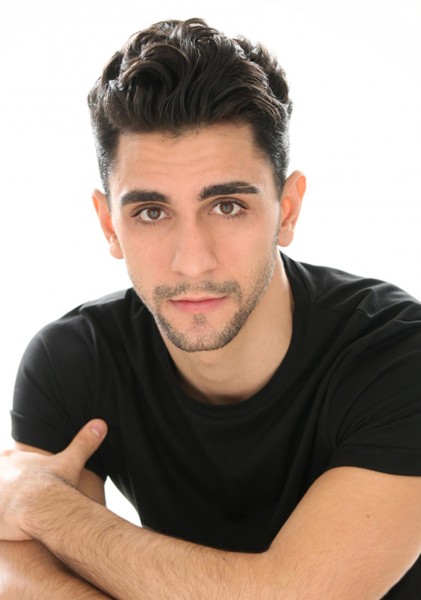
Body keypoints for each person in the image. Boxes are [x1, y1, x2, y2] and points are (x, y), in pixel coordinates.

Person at [1, 17, 420, 599]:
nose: (192, 262)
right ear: (109, 225)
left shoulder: (398, 357)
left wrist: (42, 504)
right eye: (151, 213)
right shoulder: (74, 359)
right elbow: (17, 567)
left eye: (227, 206)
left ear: (287, 210)